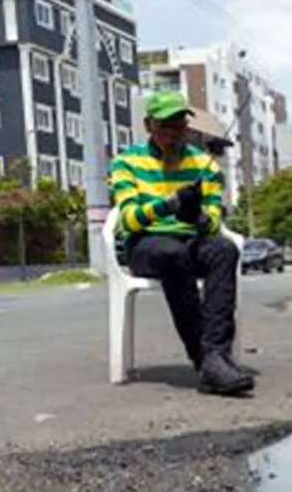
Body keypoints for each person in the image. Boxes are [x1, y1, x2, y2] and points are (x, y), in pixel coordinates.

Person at [108, 90, 255, 396]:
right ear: (149, 126)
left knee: (224, 250)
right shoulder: (125, 163)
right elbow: (130, 220)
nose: (174, 134)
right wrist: (169, 204)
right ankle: (204, 359)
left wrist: (198, 217)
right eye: (166, 126)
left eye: (179, 126)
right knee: (172, 255)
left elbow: (215, 222)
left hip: (190, 239)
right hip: (146, 244)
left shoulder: (206, 166)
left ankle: (216, 355)